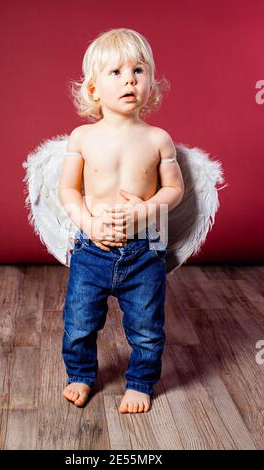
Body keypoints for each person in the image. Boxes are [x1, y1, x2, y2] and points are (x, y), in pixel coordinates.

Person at [59, 28, 185, 413]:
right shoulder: (82, 137)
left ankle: (141, 382)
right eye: (115, 72)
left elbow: (174, 190)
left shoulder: (159, 139)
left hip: (145, 249)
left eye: (139, 69)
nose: (130, 78)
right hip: (92, 249)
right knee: (79, 322)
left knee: (146, 328)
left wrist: (146, 209)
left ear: (151, 84)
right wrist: (89, 223)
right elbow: (68, 190)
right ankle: (80, 374)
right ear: (94, 89)